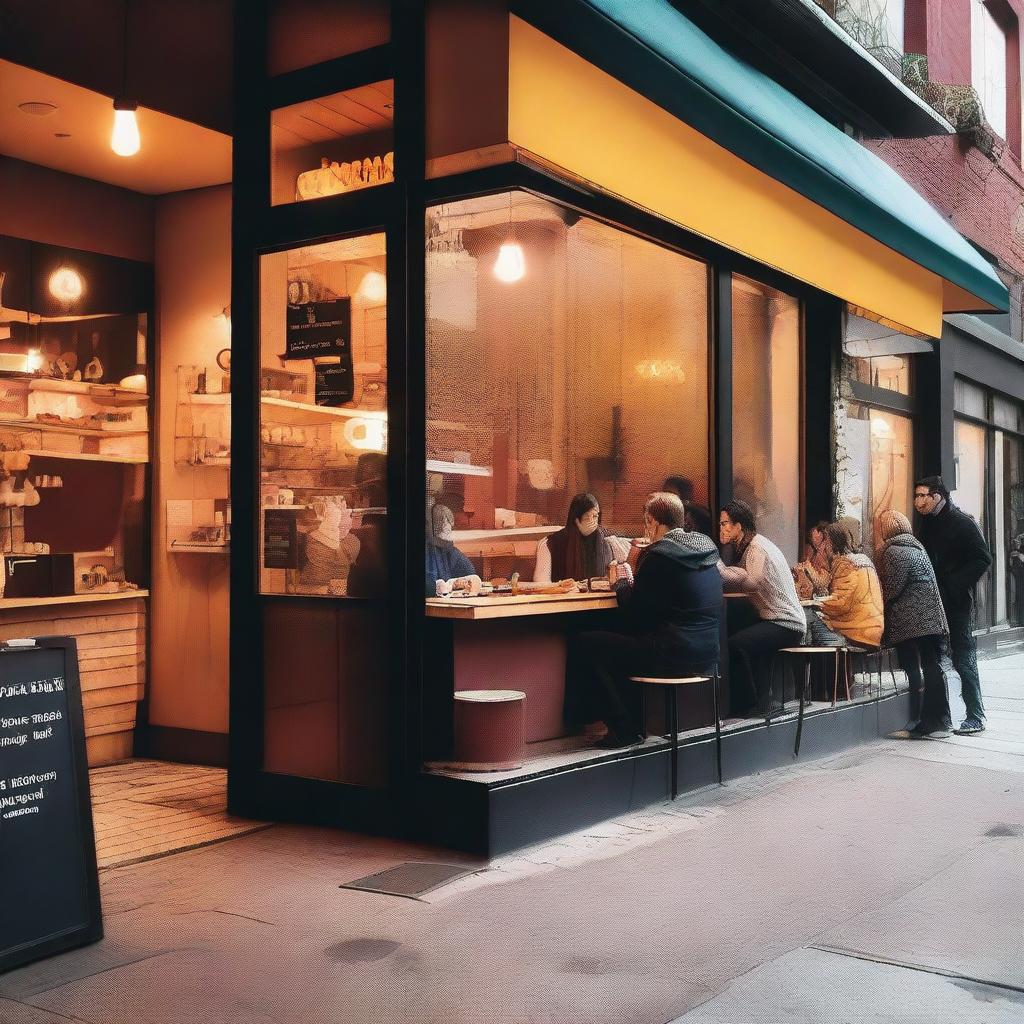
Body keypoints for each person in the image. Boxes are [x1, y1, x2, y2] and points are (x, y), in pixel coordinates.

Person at [567, 493, 723, 747]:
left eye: (646, 523)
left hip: (672, 654)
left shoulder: (659, 556)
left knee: (585, 643)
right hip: (708, 655)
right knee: (625, 647)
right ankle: (632, 724)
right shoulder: (706, 552)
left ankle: (623, 728)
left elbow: (634, 616)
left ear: (652, 521)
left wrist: (620, 583)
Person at [914, 475, 992, 735]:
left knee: (963, 657)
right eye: (916, 495)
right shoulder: (926, 524)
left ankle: (976, 715)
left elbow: (983, 558)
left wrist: (954, 584)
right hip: (931, 601)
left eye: (923, 495)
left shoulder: (962, 523)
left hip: (956, 602)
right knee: (932, 659)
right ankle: (938, 719)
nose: (918, 501)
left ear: (938, 496)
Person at [717, 499, 806, 716]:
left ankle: (746, 706)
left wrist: (721, 569)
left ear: (739, 526)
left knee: (737, 644)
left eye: (725, 523)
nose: (721, 528)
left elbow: (752, 582)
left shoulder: (756, 547)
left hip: (786, 622)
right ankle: (761, 704)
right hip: (775, 619)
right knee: (744, 638)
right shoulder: (749, 546)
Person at [876, 510, 952, 738]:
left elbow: (892, 588)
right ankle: (939, 720)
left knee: (915, 669)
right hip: (930, 618)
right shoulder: (917, 547)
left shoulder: (893, 551)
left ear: (886, 530)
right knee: (932, 666)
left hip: (911, 620)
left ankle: (918, 721)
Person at [814, 521, 884, 648]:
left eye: (821, 544)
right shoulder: (863, 559)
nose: (820, 549)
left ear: (830, 543)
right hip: (873, 628)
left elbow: (841, 603)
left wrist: (817, 604)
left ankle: (825, 665)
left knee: (811, 619)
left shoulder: (844, 563)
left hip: (857, 631)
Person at [534, 492, 614, 583]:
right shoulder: (551, 544)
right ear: (576, 520)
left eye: (595, 516)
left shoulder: (603, 543)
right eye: (587, 518)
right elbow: (542, 583)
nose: (592, 522)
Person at [425, 499, 476, 597]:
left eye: (449, 522)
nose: (448, 527)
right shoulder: (427, 550)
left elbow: (470, 572)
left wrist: (462, 582)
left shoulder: (449, 549)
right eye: (443, 522)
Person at [794, 520, 833, 598]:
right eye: (815, 547)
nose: (820, 551)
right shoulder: (810, 559)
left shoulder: (833, 563)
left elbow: (822, 583)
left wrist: (809, 568)